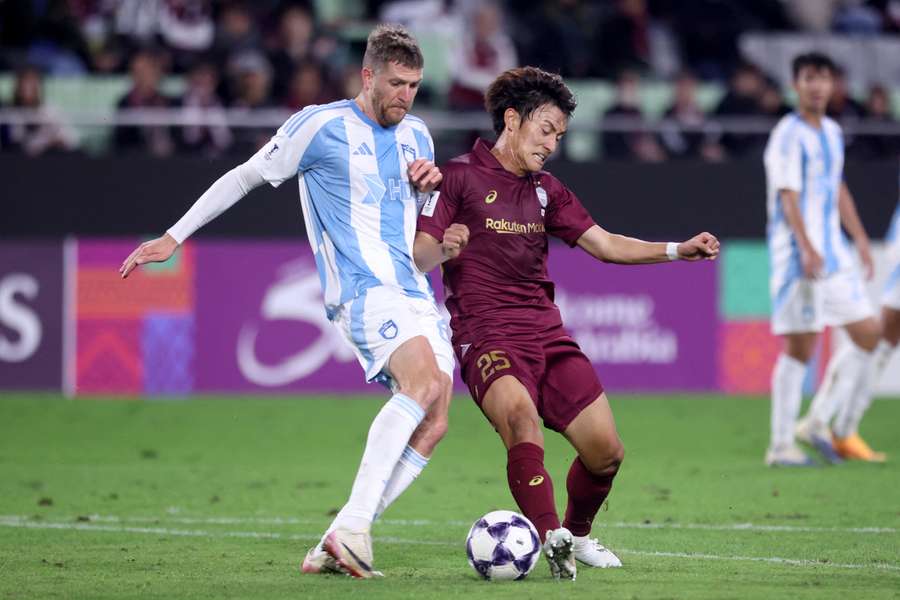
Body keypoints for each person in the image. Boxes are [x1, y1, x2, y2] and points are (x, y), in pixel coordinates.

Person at [119, 24, 459, 578]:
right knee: (422, 386)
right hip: (362, 290)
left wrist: (435, 199)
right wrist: (174, 237)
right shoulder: (319, 126)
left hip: (414, 288)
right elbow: (244, 177)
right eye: (396, 83)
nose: (405, 95)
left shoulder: (418, 136)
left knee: (438, 415)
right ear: (368, 75)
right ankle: (351, 530)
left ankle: (338, 537)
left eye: (415, 85)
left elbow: (417, 233)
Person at [415, 66, 719, 580]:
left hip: (546, 334)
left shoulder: (545, 191)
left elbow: (603, 244)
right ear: (512, 120)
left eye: (560, 134)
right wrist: (445, 246)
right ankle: (550, 534)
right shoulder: (458, 176)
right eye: (547, 129)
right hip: (485, 333)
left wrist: (675, 250)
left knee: (606, 452)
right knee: (520, 420)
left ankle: (576, 535)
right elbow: (420, 256)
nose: (553, 143)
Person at [764, 52, 883, 467]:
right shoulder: (787, 134)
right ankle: (780, 445)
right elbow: (788, 194)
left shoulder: (832, 130)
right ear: (795, 85)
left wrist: (861, 237)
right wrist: (807, 245)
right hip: (800, 256)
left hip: (836, 255)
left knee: (869, 334)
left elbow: (838, 187)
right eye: (809, 78)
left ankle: (816, 422)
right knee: (802, 347)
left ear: (833, 85)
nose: (817, 85)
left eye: (824, 78)